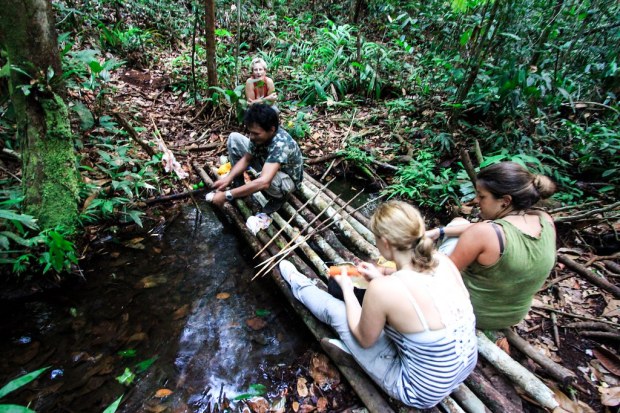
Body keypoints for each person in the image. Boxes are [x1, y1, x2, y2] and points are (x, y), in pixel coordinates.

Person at [278, 201, 477, 409]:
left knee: (336, 311)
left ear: (386, 243)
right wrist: (381, 274)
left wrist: (347, 289)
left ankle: (297, 283)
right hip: (464, 366)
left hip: (420, 390)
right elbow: (417, 282)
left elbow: (364, 338)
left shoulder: (383, 289)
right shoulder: (441, 260)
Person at [426, 161, 557, 330]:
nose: (476, 200)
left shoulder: (485, 233)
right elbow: (492, 229)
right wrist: (439, 232)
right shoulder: (545, 219)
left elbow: (438, 278)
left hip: (473, 313)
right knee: (459, 222)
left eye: (481, 196)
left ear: (505, 201)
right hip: (512, 315)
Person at [206, 104, 303, 214]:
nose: (251, 137)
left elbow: (264, 182)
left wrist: (227, 195)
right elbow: (246, 159)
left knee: (264, 179)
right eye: (250, 132)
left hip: (286, 179)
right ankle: (239, 186)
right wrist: (228, 178)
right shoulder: (259, 136)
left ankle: (279, 198)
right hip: (267, 163)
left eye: (256, 133)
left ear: (271, 130)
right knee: (234, 138)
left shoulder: (281, 144)